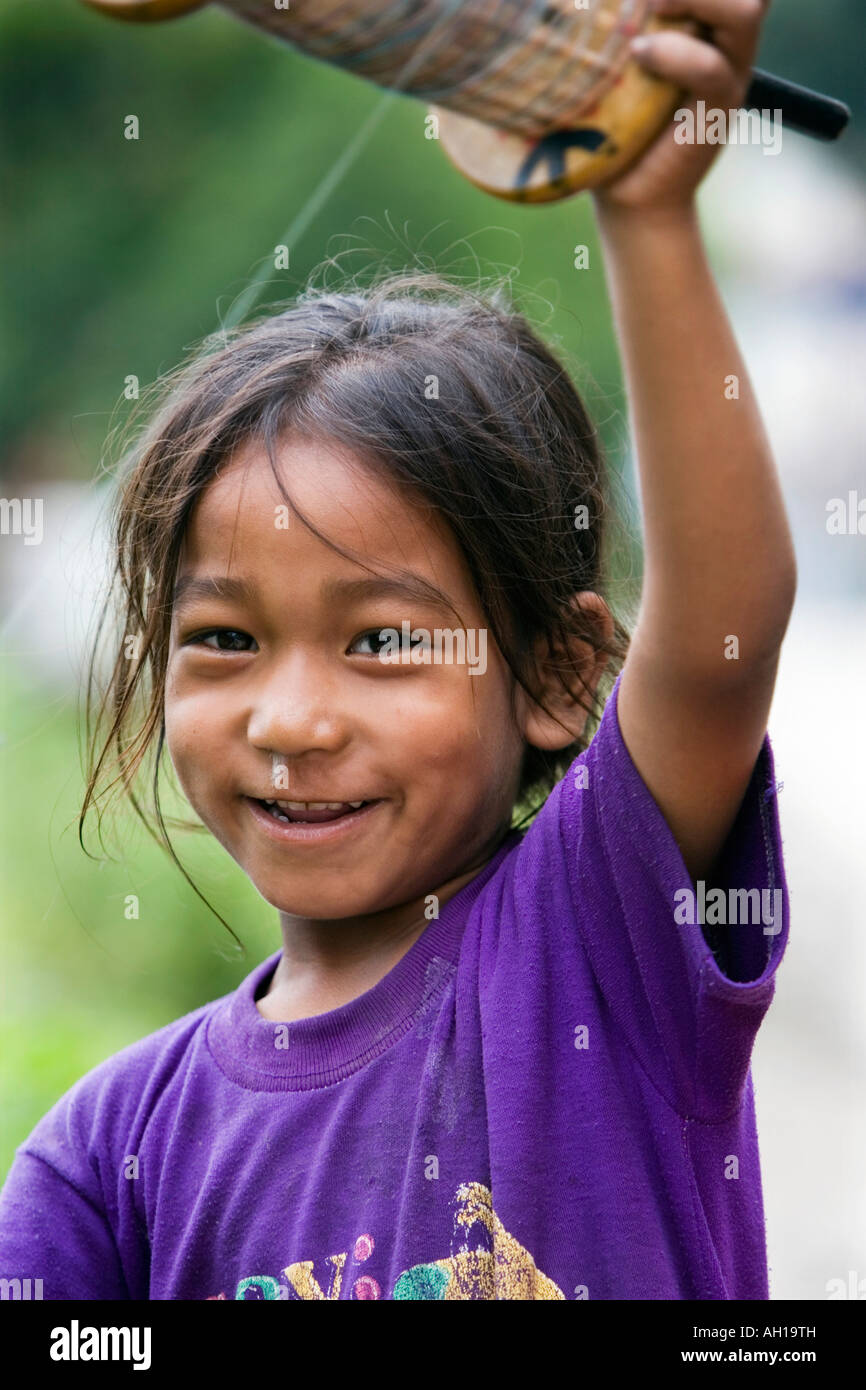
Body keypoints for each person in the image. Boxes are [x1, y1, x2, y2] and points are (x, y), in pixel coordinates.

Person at [0, 0, 795, 1299]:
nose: (291, 719)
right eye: (223, 639)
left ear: (551, 675)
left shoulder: (592, 943)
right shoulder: (106, 1157)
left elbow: (719, 642)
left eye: (377, 639)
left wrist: (647, 216)